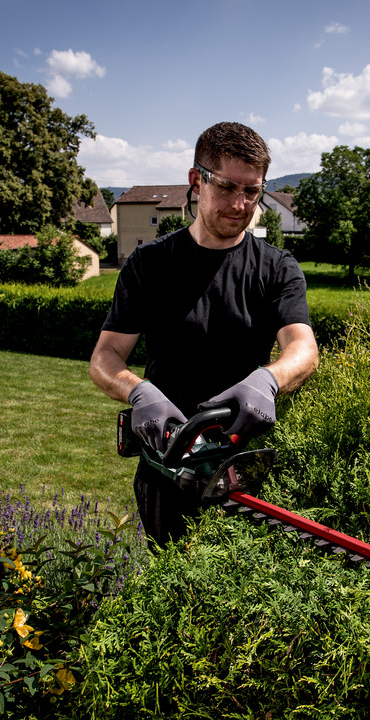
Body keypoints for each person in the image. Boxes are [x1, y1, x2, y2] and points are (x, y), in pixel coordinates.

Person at [89, 121, 318, 546]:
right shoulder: (149, 265)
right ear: (197, 181)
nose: (240, 204)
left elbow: (303, 348)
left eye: (252, 191)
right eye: (227, 187)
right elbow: (105, 356)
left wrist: (268, 380)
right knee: (171, 578)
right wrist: (138, 392)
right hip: (166, 469)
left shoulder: (277, 268)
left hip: (244, 472)